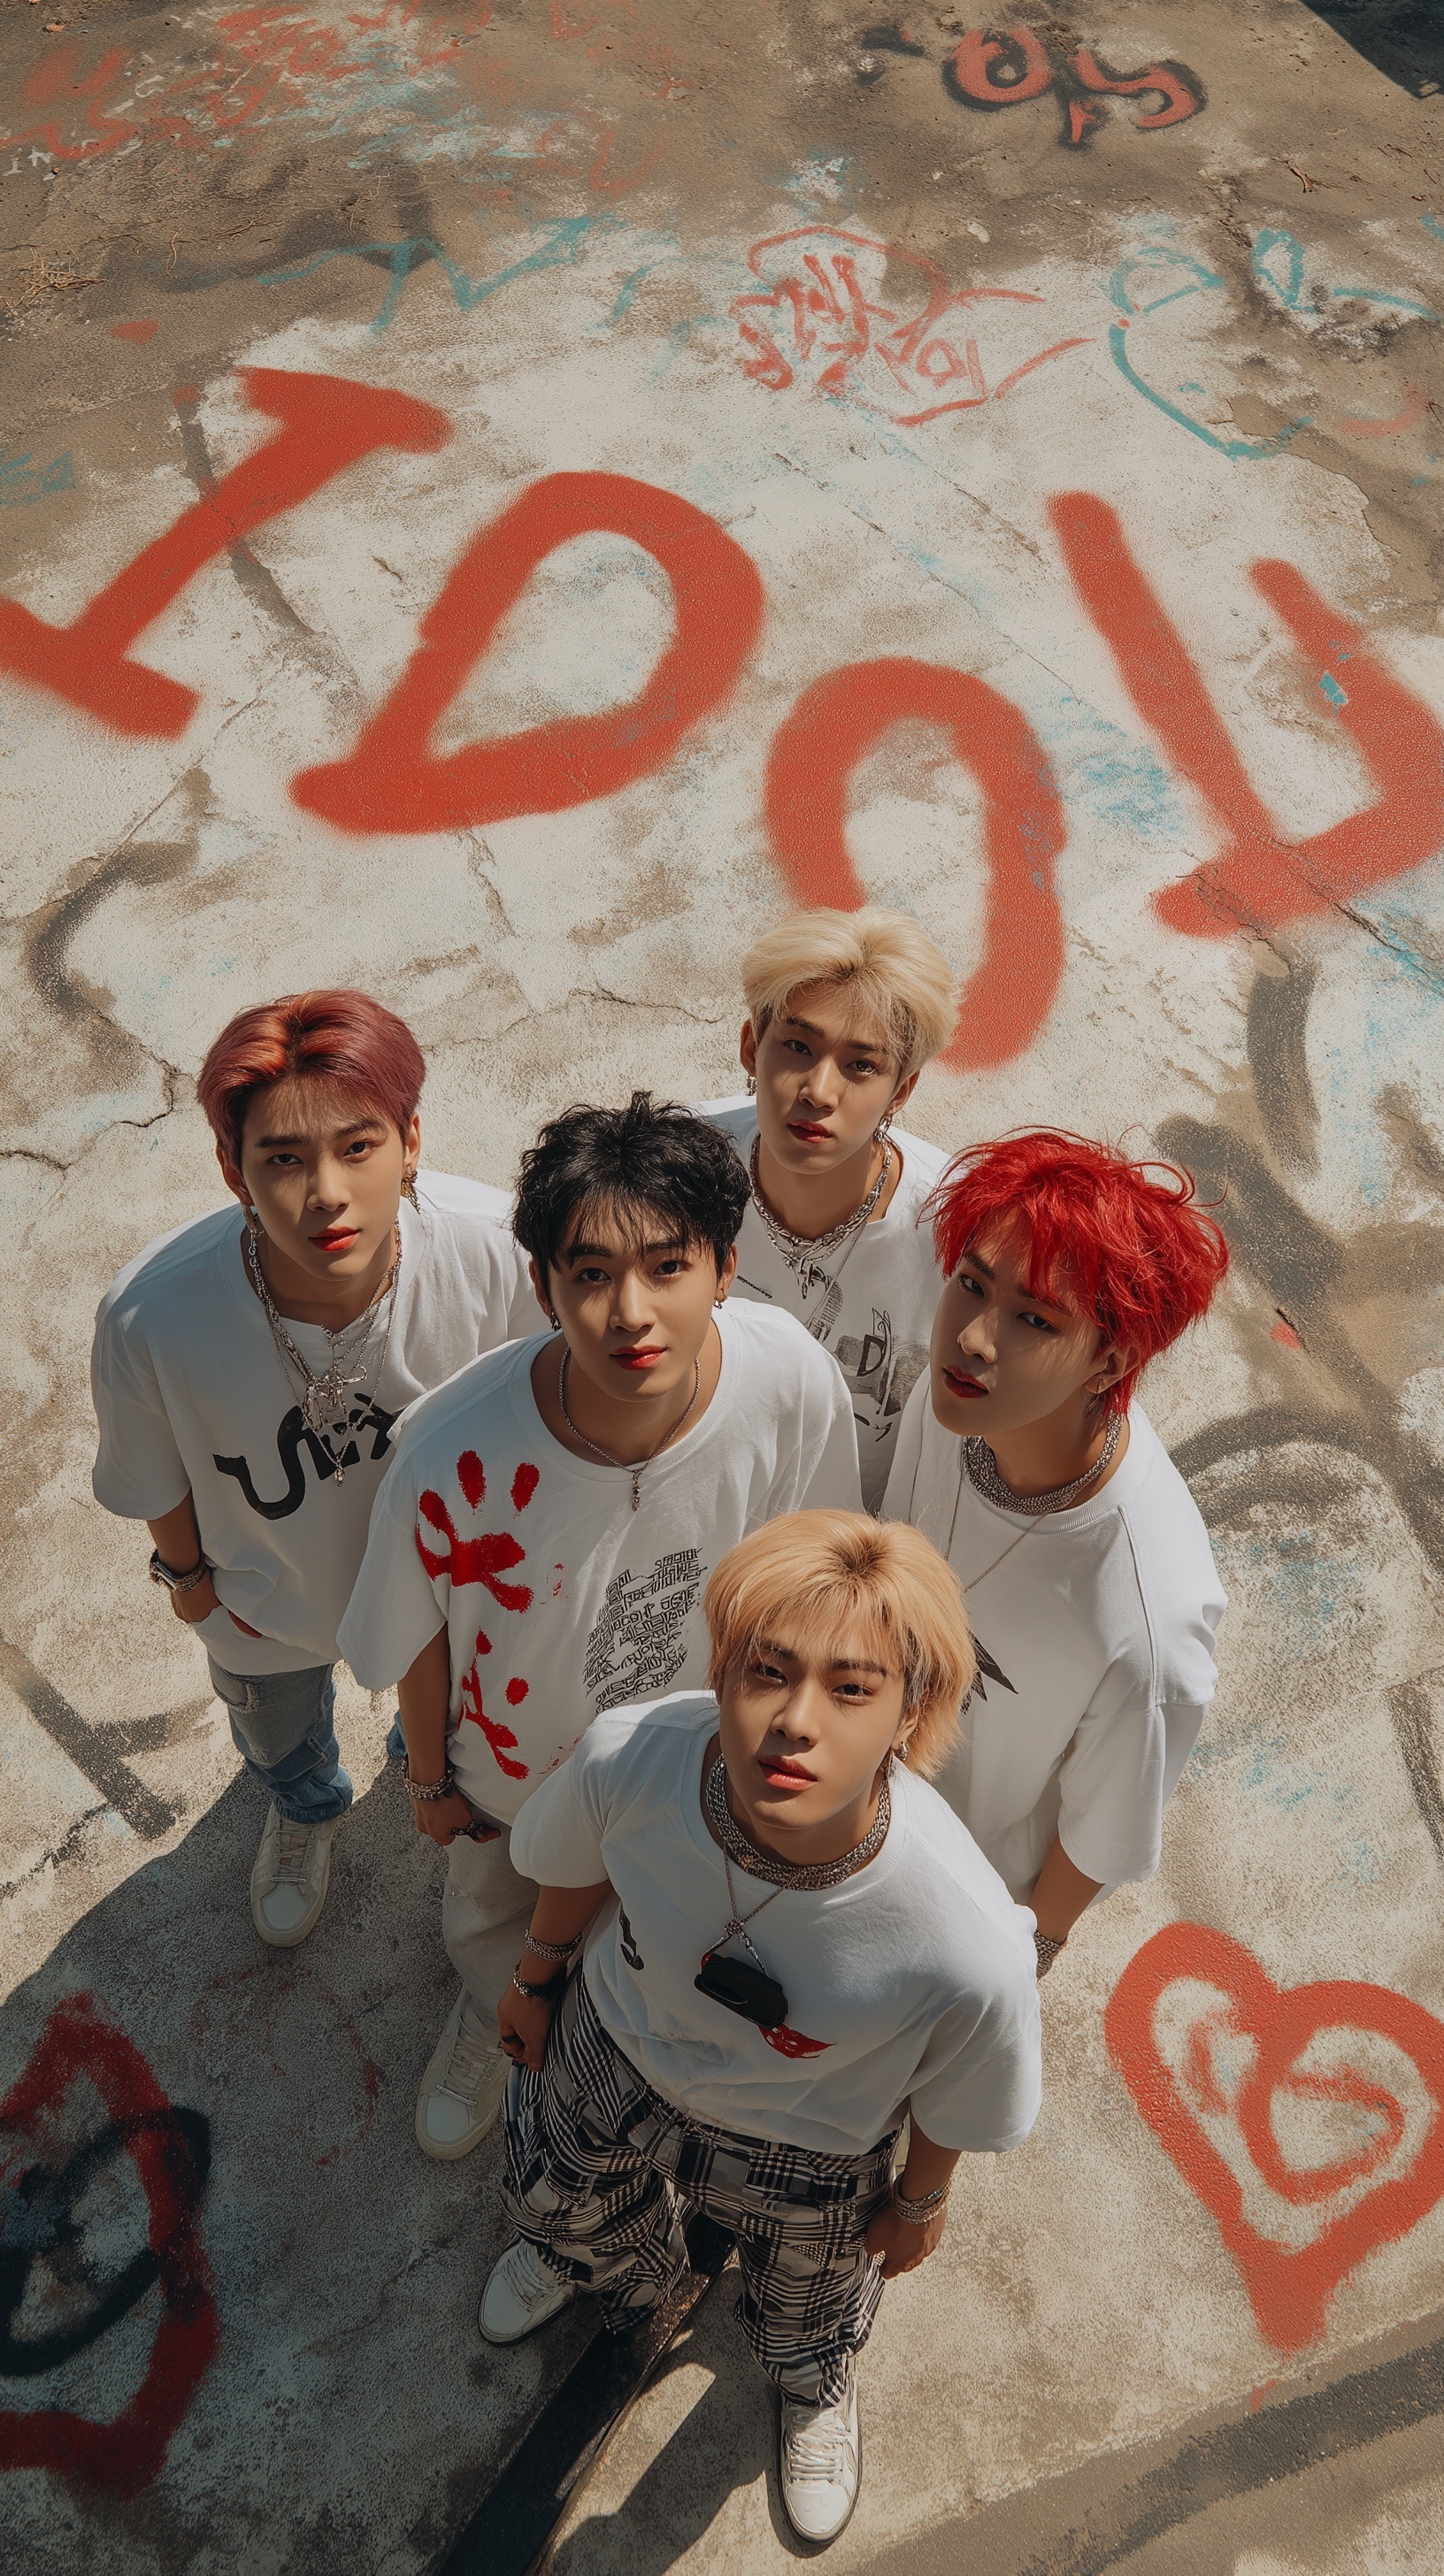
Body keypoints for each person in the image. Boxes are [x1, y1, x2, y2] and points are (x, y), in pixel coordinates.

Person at [481, 1512, 1041, 2547]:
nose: (795, 1719)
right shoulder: (633, 1756)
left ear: (911, 1708)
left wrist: (920, 2197)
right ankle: (594, 2262)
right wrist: (534, 1978)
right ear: (722, 1669)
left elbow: (963, 2085)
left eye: (852, 1687)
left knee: (809, 2294)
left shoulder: (965, 1934)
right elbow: (574, 1863)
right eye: (767, 1670)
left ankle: (810, 2376)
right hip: (615, 2040)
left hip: (811, 2136)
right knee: (558, 2189)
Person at [337, 1092, 863, 2165]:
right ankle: (490, 2012)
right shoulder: (450, 1447)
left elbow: (812, 1571)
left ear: (725, 1266)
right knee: (495, 1915)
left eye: (668, 1266)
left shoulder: (792, 1383)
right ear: (543, 1286)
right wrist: (432, 1778)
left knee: (654, 1930)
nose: (631, 1311)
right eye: (590, 1273)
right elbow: (419, 1630)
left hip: (693, 1770)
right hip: (510, 1779)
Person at [91, 989, 535, 1951]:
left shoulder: (501, 1253)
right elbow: (152, 1475)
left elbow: (551, 1420)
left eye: (357, 1145)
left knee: (440, 1732)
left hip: (450, 1603)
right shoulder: (153, 1315)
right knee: (280, 1743)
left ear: (411, 1141)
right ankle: (306, 1808)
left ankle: (415, 1766)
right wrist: (195, 1588)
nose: (326, 1191)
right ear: (233, 1169)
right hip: (266, 1613)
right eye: (284, 1158)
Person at [882, 1131, 1229, 1977]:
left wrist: (1014, 1963)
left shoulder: (1147, 1615)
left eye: (1034, 1319)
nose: (974, 1338)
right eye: (971, 1284)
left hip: (948, 1906)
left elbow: (1100, 1837)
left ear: (1110, 1361)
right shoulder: (958, 1398)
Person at [696, 905, 957, 1508]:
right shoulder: (673, 1167)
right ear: (751, 1047)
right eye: (797, 1046)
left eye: (861, 1065)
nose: (818, 1091)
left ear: (902, 1089)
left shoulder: (956, 1231)